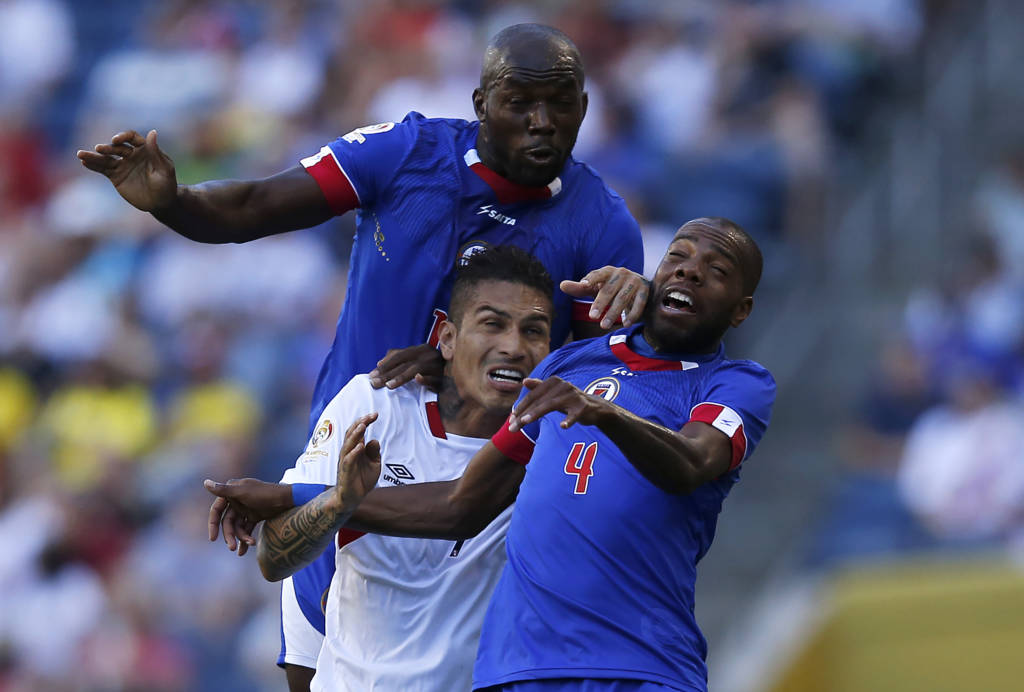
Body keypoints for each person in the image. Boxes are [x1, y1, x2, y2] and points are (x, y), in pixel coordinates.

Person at [79, 22, 647, 689]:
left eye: (561, 104)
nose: (542, 122)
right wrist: (173, 203)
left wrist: (634, 317)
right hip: (351, 443)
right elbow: (257, 203)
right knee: (312, 673)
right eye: (521, 102)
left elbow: (589, 395)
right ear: (480, 101)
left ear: (584, 107)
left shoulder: (604, 227)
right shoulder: (407, 150)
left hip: (475, 494)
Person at [210, 217, 776, 692]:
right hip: (516, 670)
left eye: (716, 271)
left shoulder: (734, 383)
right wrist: (296, 495)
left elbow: (694, 463)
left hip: (637, 663)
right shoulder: (565, 370)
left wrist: (605, 414)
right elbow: (460, 504)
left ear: (742, 309)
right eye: (677, 256)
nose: (690, 270)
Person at [210, 246, 554, 691]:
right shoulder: (374, 406)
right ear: (447, 339)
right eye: (492, 324)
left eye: (534, 331)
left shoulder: (547, 448)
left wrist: (333, 500)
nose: (513, 346)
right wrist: (333, 503)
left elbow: (454, 508)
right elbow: (275, 560)